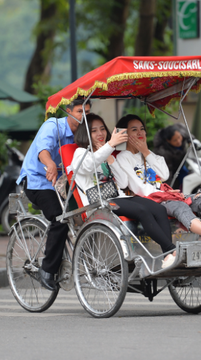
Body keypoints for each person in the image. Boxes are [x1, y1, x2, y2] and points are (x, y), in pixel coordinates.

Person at [71, 114, 177, 268]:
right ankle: (171, 251)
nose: (100, 133)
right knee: (142, 210)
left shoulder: (107, 153)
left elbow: (122, 182)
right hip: (98, 202)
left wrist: (111, 160)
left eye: (102, 129)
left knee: (158, 209)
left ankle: (167, 258)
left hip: (118, 197)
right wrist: (109, 147)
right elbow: (87, 165)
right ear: (85, 133)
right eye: (94, 131)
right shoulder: (81, 153)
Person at [114, 114, 201, 241]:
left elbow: (164, 175)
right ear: (124, 134)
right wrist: (166, 194)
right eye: (134, 130)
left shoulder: (148, 154)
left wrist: (146, 152)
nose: (140, 132)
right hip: (153, 200)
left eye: (142, 128)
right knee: (179, 205)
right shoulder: (123, 157)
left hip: (166, 195)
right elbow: (139, 188)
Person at [17, 99, 91, 291]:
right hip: (38, 181)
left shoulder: (83, 132)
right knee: (60, 218)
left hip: (63, 183)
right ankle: (47, 270)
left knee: (88, 212)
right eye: (79, 111)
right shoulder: (53, 126)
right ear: (68, 112)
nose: (84, 116)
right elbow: (43, 151)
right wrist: (50, 164)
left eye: (87, 112)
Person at [154, 125, 190, 189]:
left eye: (179, 137)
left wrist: (191, 141)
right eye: (175, 140)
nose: (179, 141)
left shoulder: (182, 131)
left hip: (181, 164)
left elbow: (189, 136)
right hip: (172, 170)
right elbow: (168, 174)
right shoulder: (163, 152)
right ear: (168, 141)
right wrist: (169, 189)